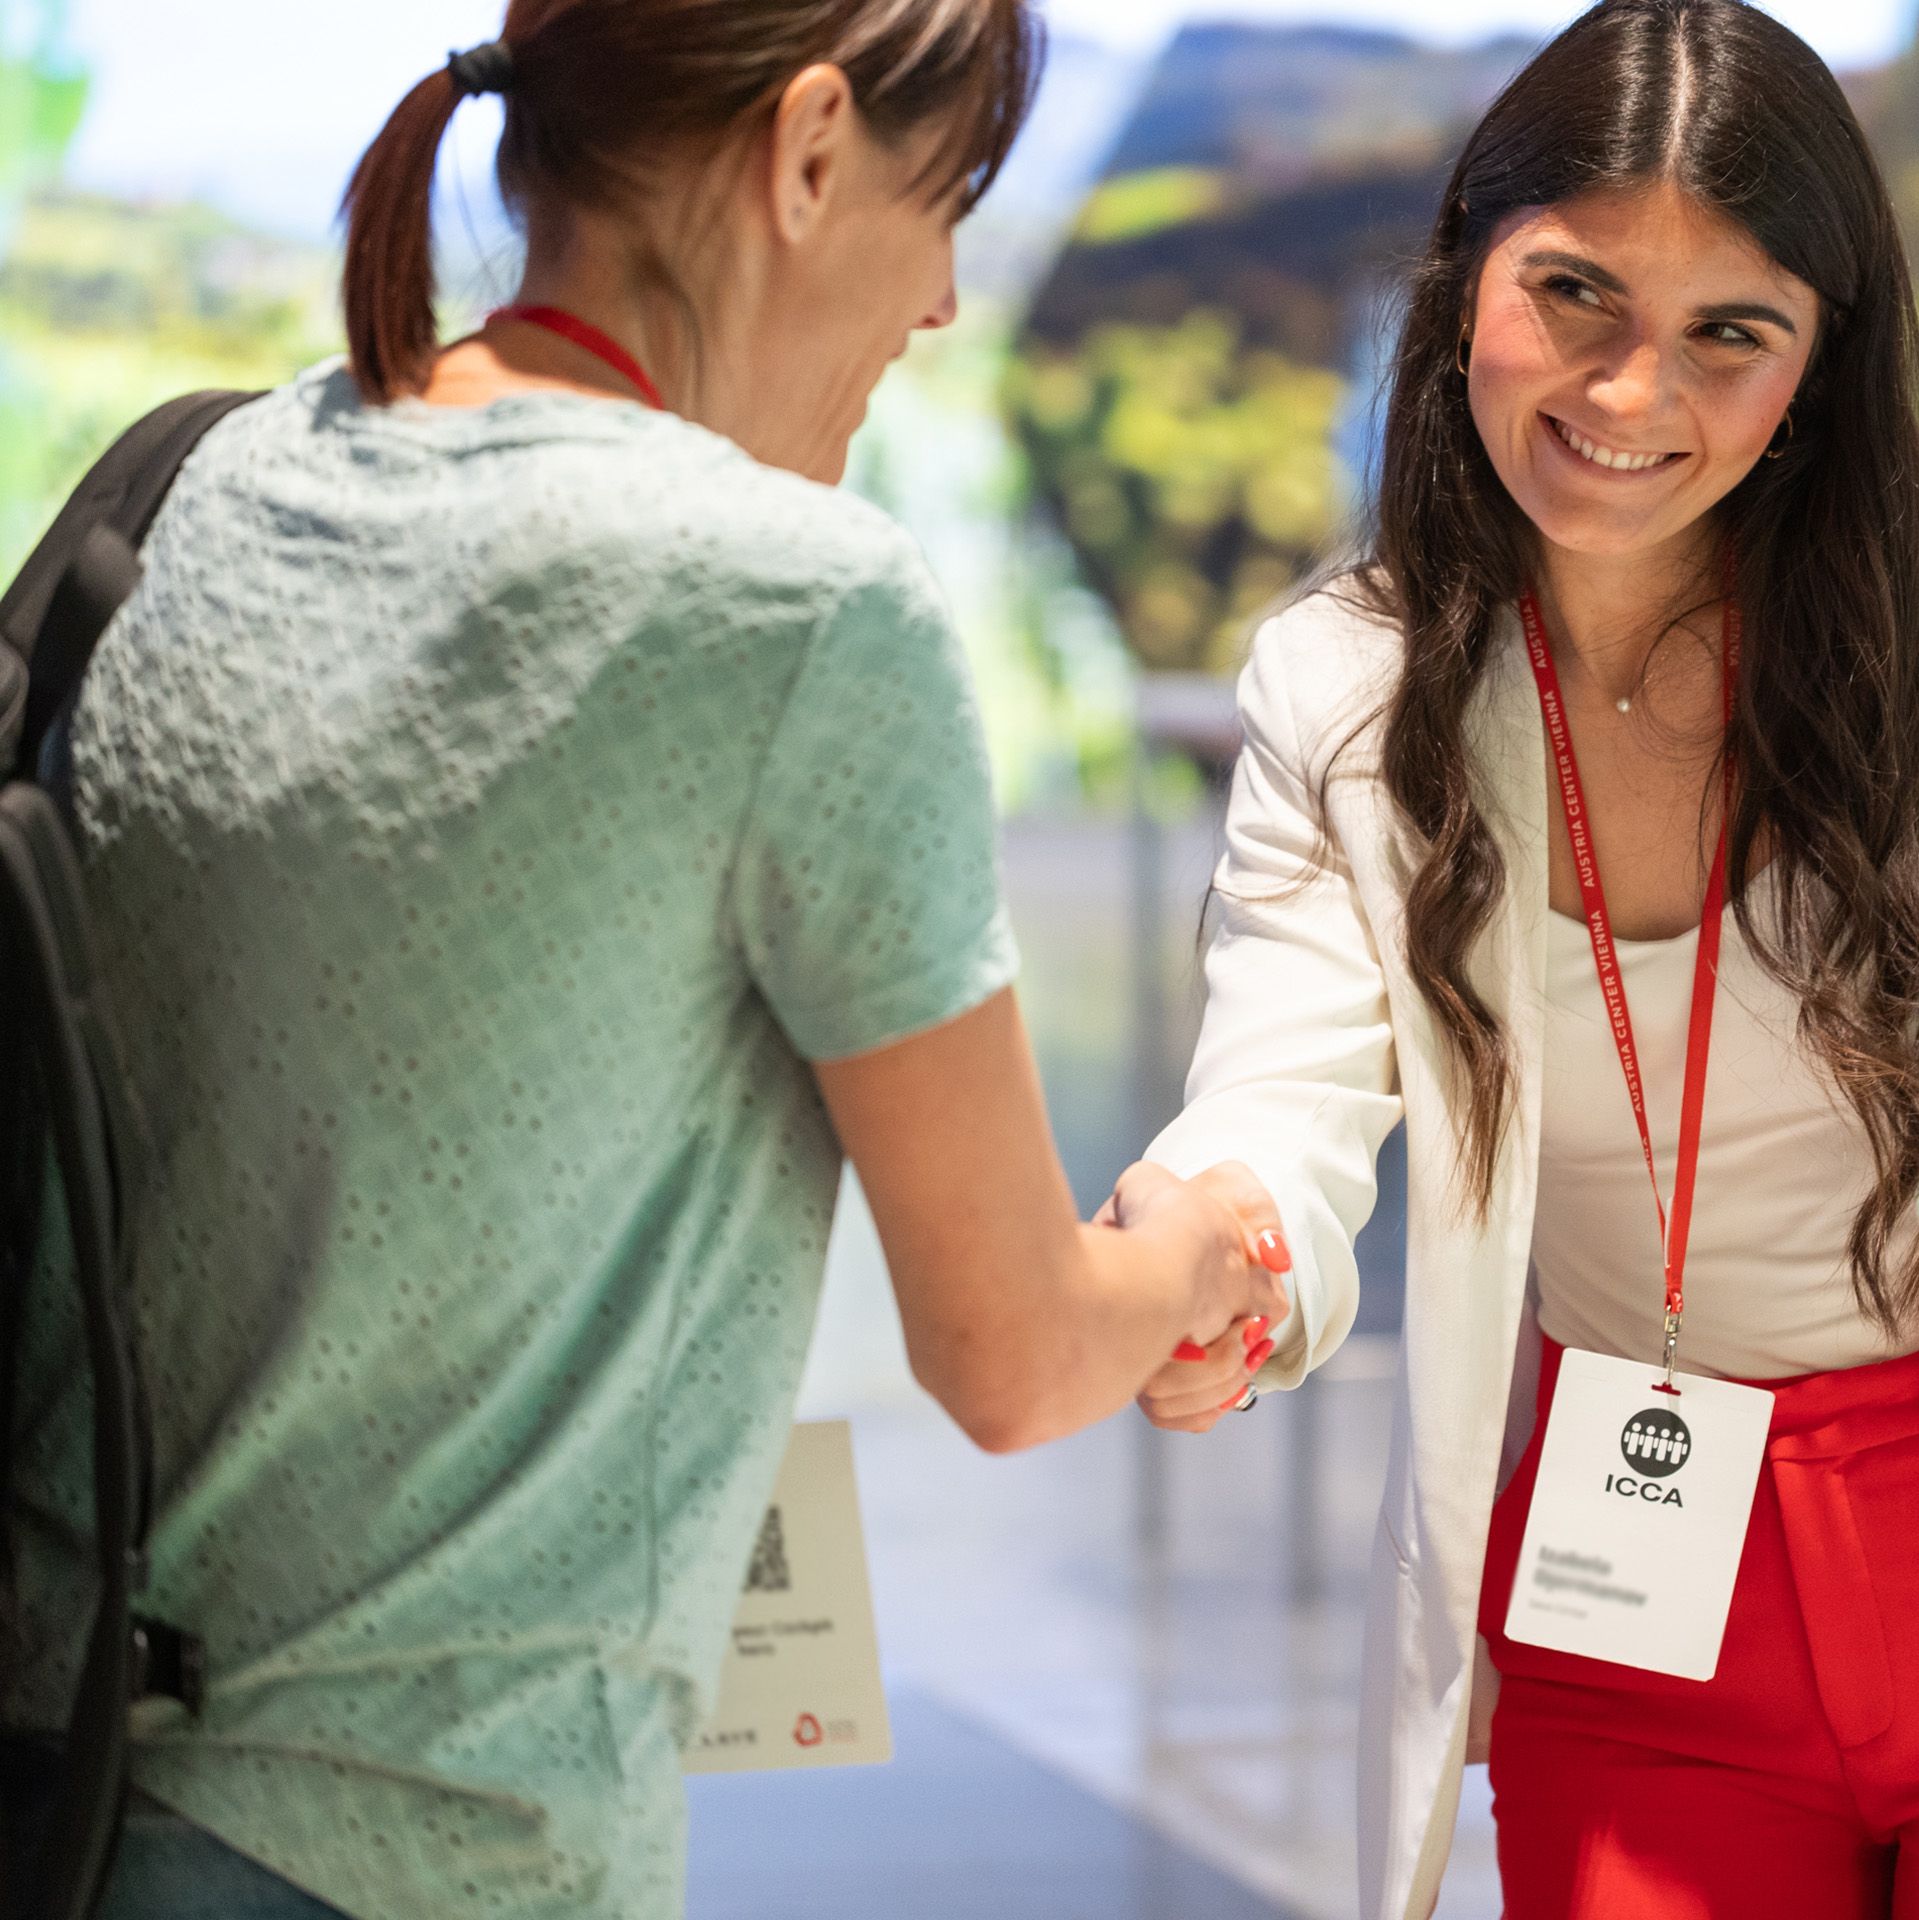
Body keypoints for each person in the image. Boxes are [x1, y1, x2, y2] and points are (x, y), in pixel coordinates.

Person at [1130, 3, 1919, 1917]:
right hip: (1635, 1601)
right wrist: (1218, 1264)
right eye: (1571, 293)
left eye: (1727, 333)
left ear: (1817, 367)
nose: (1631, 391)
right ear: (1463, 284)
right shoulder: (1350, 684)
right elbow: (1284, 1098)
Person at [0, 3, 1288, 1916]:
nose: (943, 297)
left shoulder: (204, 482)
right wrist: (1203, 1249)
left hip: (54, 1778)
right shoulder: (795, 613)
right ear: (811, 147)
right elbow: (1015, 1351)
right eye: (947, 205)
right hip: (417, 1852)